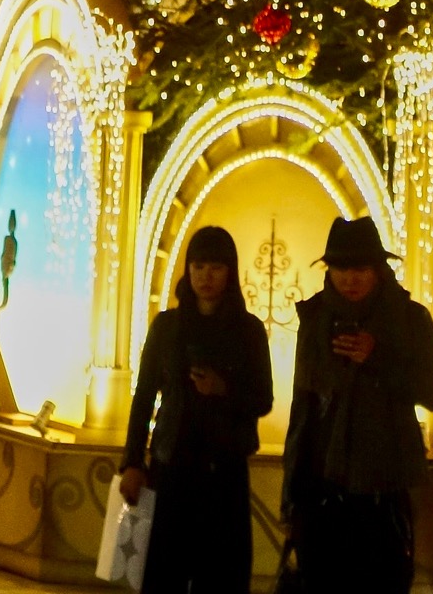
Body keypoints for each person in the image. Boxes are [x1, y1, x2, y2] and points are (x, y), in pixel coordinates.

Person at [281, 215, 433, 594]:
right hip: (322, 490)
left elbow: (431, 393)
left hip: (383, 491)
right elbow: (303, 410)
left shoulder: (410, 318)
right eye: (341, 269)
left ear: (378, 270)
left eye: (360, 269)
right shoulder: (316, 318)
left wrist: (377, 357)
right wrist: (291, 497)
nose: (350, 280)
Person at [118, 223, 273, 594]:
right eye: (198, 266)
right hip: (171, 468)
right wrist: (133, 461)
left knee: (220, 577)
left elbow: (263, 399)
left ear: (230, 272)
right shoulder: (167, 326)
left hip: (224, 473)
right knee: (163, 574)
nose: (206, 276)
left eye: (216, 267)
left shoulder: (248, 331)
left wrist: (223, 389)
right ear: (187, 270)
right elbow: (144, 396)